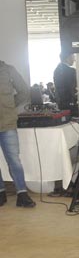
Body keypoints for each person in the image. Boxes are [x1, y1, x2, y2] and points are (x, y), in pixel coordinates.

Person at [0, 61, 36, 208]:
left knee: (14, 160)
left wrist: (10, 104)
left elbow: (24, 91)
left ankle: (22, 194)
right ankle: (1, 192)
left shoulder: (8, 70)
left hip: (7, 122)